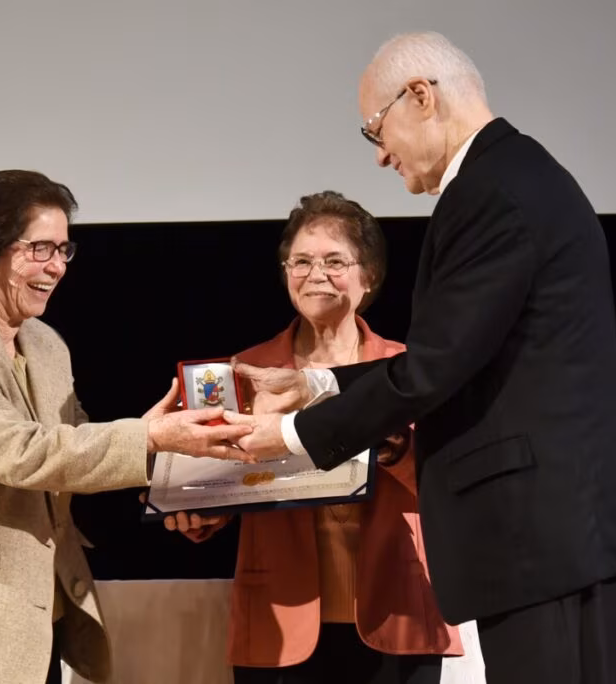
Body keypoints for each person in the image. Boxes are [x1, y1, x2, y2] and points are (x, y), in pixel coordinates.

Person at [226, 32, 616, 683]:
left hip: (546, 540)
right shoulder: (511, 177)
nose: (381, 155)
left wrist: (288, 434)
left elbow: (434, 368)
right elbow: (453, 357)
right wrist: (316, 382)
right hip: (552, 539)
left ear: (420, 97)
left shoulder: (492, 191)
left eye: (374, 130)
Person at [0, 169, 251, 684]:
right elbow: (22, 453)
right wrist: (150, 436)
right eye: (40, 249)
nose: (57, 267)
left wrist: (173, 481)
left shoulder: (45, 343)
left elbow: (77, 444)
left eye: (64, 250)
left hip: (38, 616)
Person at [165, 191, 461, 684]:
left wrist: (393, 449)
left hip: (399, 613)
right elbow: (218, 476)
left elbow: (445, 480)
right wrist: (198, 509)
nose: (314, 274)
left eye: (333, 261)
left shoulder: (407, 369)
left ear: (368, 277)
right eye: (300, 261)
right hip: (279, 618)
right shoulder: (247, 369)